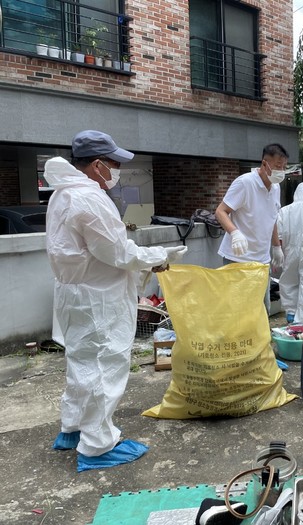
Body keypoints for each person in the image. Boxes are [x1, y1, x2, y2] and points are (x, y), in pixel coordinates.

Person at [45, 130, 187, 472]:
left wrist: (147, 259)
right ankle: (97, 445)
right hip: (99, 297)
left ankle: (72, 428)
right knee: (105, 364)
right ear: (97, 165)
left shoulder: (62, 194)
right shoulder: (89, 198)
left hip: (74, 292)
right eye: (114, 164)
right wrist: (159, 255)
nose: (118, 171)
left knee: (81, 361)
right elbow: (118, 252)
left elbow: (99, 250)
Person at [215, 144, 288, 311]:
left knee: (262, 310)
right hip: (238, 258)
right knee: (238, 310)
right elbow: (220, 211)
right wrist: (234, 233)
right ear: (264, 164)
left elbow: (272, 217)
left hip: (261, 260)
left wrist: (276, 246)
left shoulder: (275, 187)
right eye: (278, 166)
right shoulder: (245, 183)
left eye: (284, 167)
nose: (282, 171)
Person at [277, 182, 303, 324]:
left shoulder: (284, 211)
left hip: (290, 250)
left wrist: (278, 253)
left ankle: (291, 312)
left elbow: (279, 235)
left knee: (289, 281)